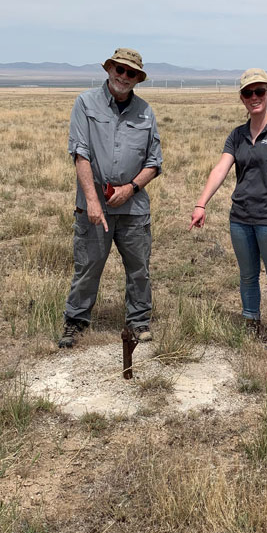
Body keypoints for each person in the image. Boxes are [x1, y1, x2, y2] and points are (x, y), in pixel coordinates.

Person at [58, 47, 162, 348]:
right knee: (88, 267)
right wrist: (93, 201)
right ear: (109, 69)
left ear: (138, 78)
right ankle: (76, 322)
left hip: (134, 207)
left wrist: (130, 189)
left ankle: (139, 321)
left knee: (139, 269)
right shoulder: (85, 103)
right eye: (120, 69)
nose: (124, 76)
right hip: (94, 208)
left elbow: (154, 162)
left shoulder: (146, 112)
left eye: (131, 73)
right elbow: (80, 154)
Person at [189, 68, 267, 339]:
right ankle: (251, 321)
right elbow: (220, 169)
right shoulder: (237, 135)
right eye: (248, 93)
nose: (254, 97)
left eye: (259, 91)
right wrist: (201, 204)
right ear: (242, 98)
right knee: (248, 275)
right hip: (240, 218)